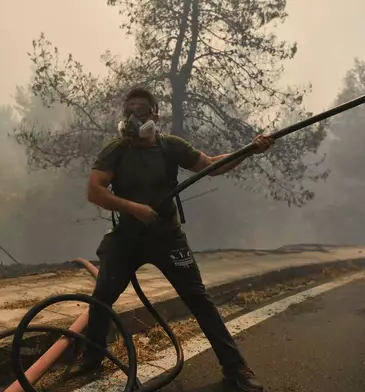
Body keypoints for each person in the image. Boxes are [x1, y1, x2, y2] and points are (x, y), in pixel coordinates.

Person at [69, 87, 274, 392]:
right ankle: (91, 358)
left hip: (168, 237)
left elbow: (211, 166)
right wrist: (133, 208)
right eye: (129, 110)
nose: (133, 116)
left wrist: (250, 150)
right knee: (102, 299)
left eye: (140, 110)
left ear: (154, 115)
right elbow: (94, 190)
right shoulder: (117, 149)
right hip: (127, 237)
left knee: (199, 301)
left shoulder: (170, 147)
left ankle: (236, 368)